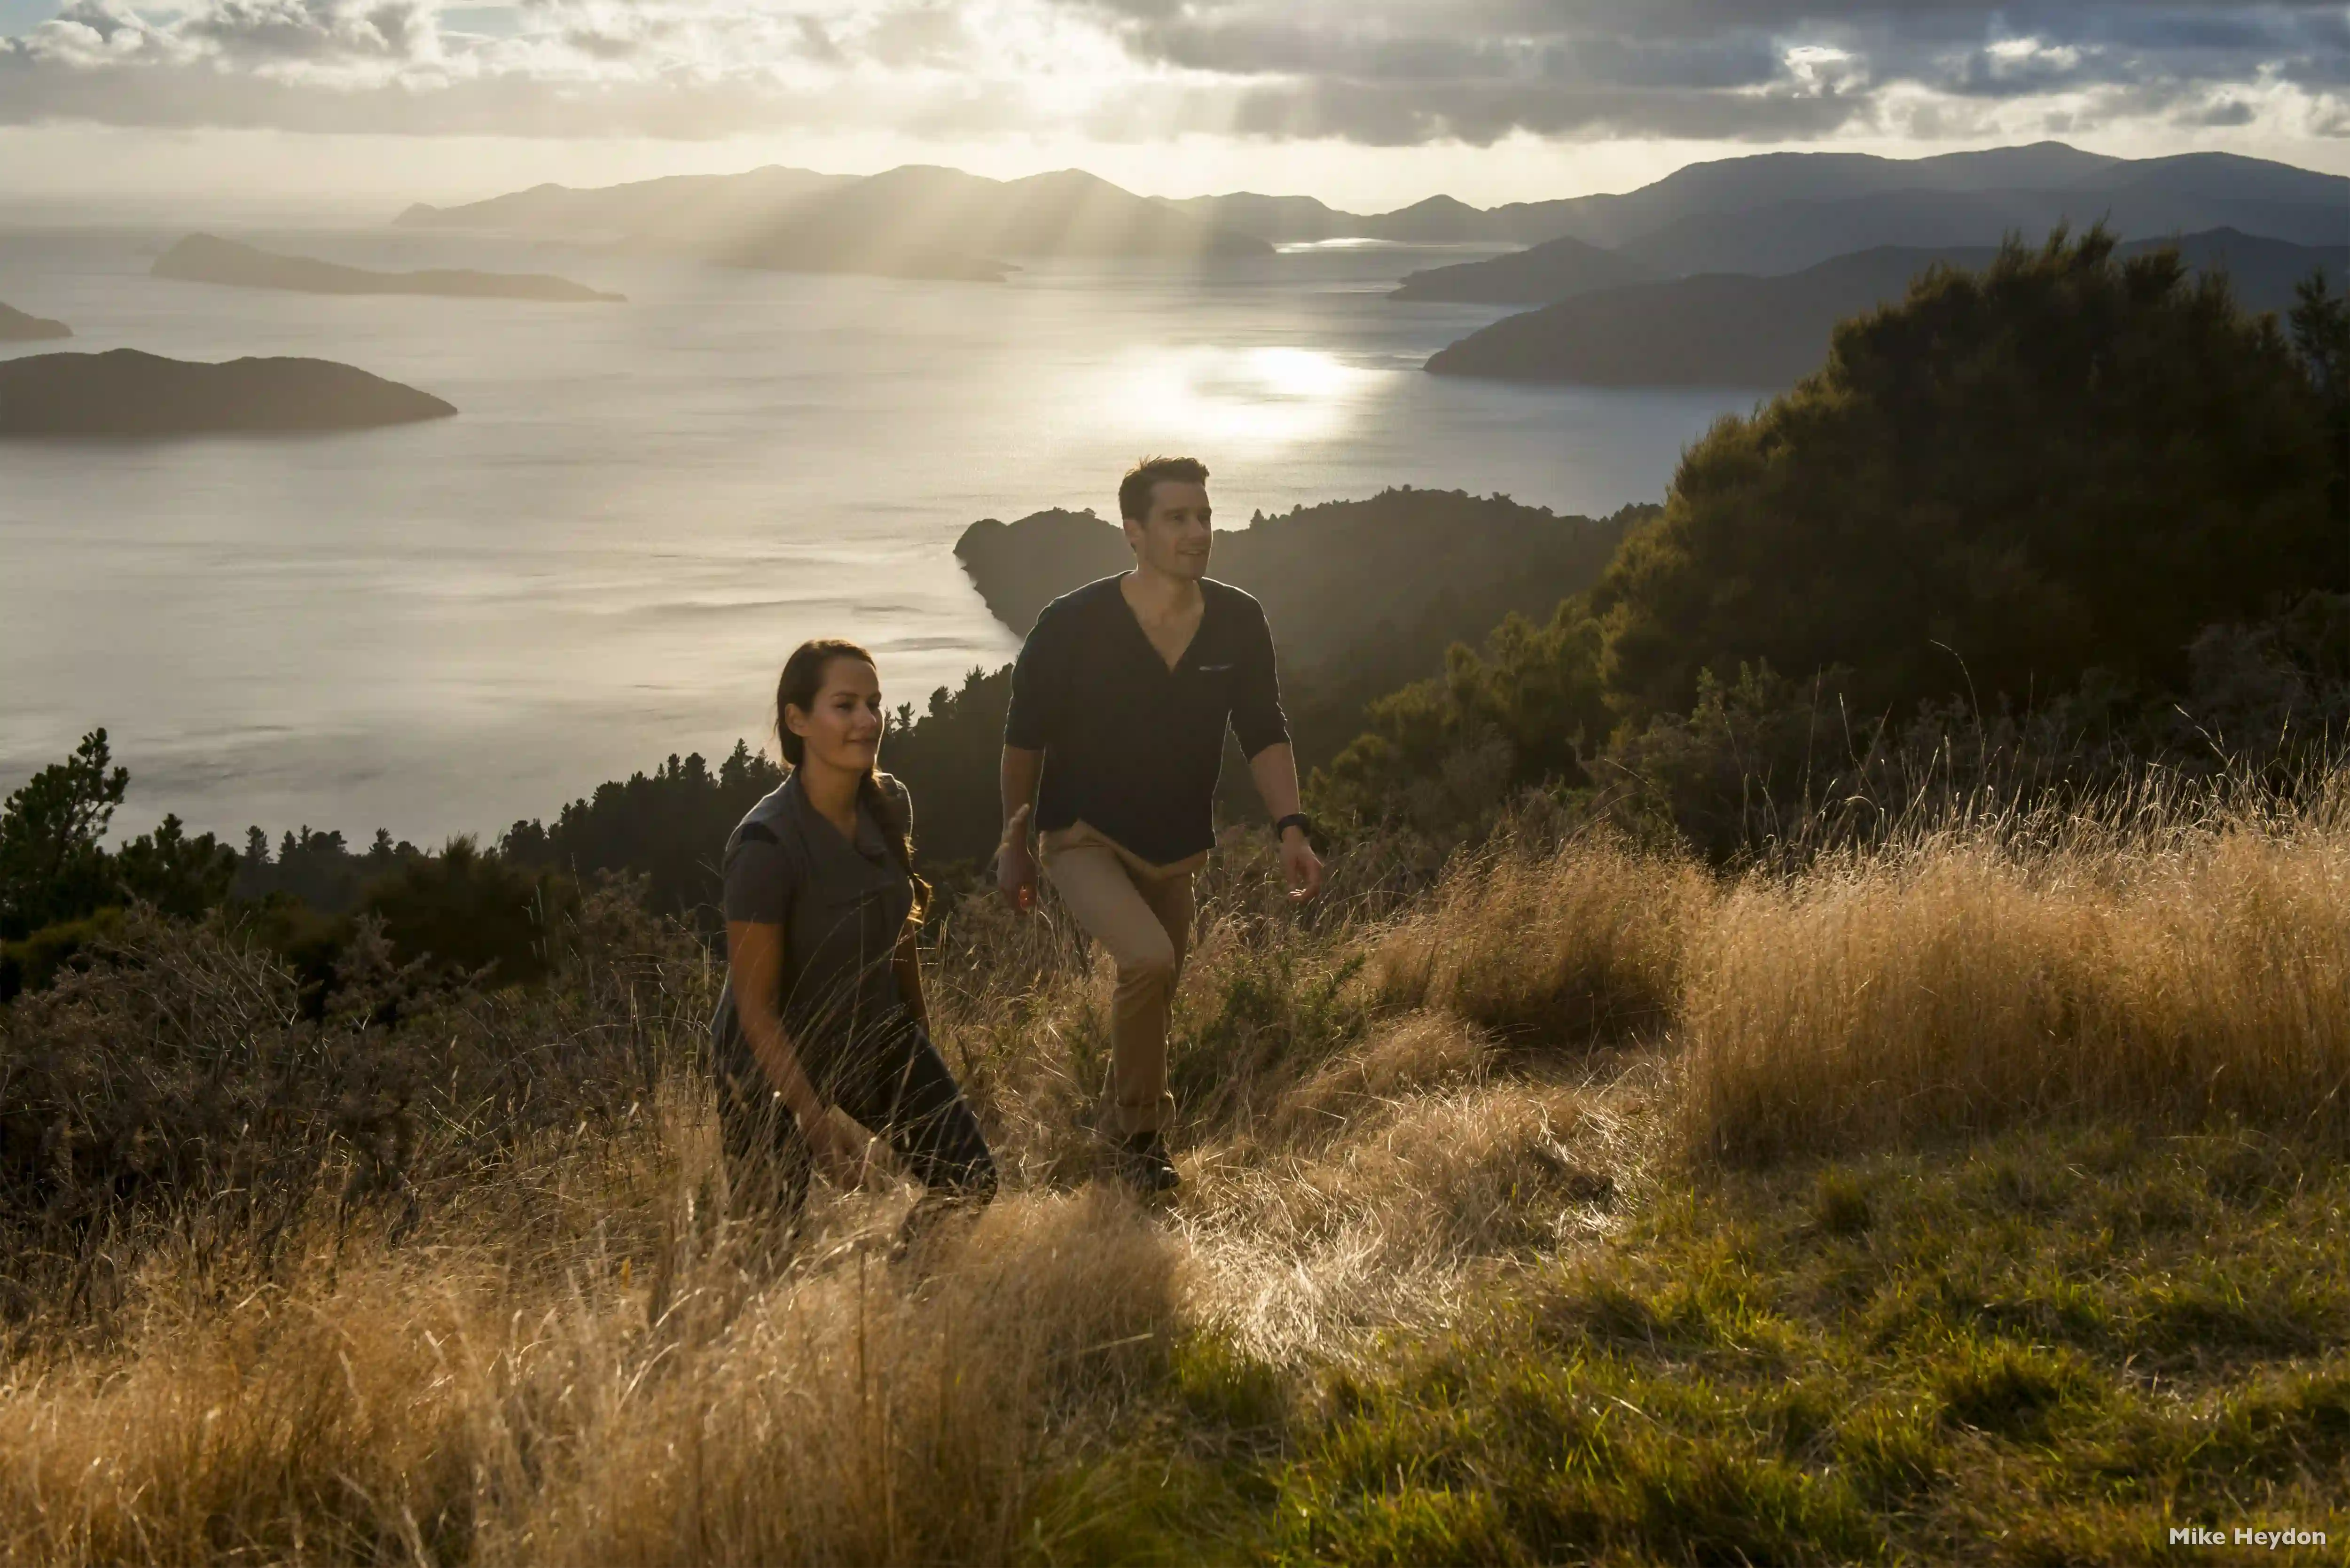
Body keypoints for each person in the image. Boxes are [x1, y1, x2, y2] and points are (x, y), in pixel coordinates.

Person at [996, 455, 1324, 1194]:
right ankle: (1141, 1141)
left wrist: (1292, 830)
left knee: (1157, 988)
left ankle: (1114, 1124)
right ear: (1134, 533)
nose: (1198, 532)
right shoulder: (1071, 624)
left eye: (1204, 516)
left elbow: (1264, 729)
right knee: (1148, 961)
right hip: (1082, 834)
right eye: (1178, 518)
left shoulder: (1239, 620)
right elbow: (1024, 743)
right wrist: (1013, 843)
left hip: (1179, 847)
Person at [713, 638, 997, 1236]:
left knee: (969, 1180)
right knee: (770, 1237)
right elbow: (755, 1010)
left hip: (870, 1029)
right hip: (767, 1060)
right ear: (797, 720)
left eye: (874, 703)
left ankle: (908, 1298)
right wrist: (818, 1128)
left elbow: (899, 932)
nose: (868, 721)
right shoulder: (765, 845)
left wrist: (920, 1039)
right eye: (844, 705)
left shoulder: (890, 801)